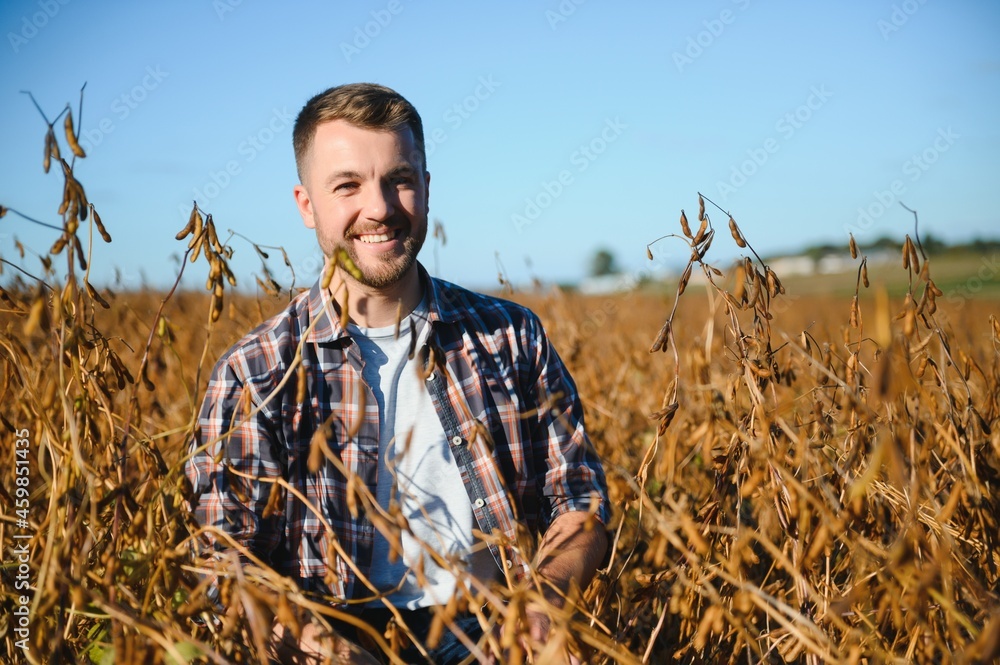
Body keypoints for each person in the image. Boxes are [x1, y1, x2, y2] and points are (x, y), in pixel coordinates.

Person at [184, 82, 610, 664]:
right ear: (306, 204)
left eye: (399, 180)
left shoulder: (509, 336)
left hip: (492, 630)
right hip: (332, 640)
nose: (380, 208)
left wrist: (539, 609)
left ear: (427, 190)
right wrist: (329, 652)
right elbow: (223, 565)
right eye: (348, 186)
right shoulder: (256, 374)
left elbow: (577, 497)